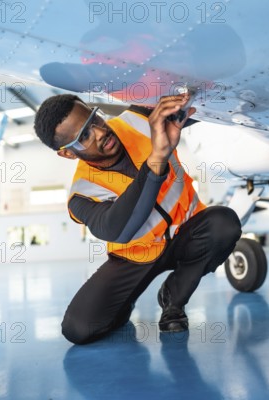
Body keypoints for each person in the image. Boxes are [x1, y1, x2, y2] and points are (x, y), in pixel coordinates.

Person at [33, 92, 241, 344]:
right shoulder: (82, 194)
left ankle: (172, 299)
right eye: (84, 136)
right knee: (78, 329)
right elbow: (118, 230)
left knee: (223, 224)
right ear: (68, 154)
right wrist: (157, 158)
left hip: (187, 234)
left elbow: (208, 101)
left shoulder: (141, 118)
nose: (99, 133)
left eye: (93, 120)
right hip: (135, 257)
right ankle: (123, 306)